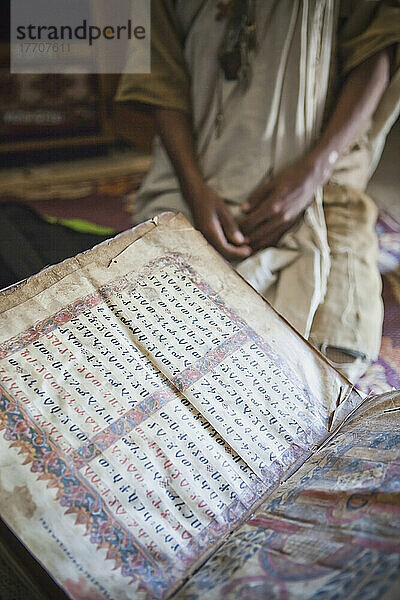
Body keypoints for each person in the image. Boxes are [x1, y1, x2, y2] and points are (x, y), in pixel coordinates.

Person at [116, 0, 400, 382]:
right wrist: (195, 187)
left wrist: (312, 172)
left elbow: (377, 47)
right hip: (196, 182)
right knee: (146, 346)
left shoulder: (322, 182)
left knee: (334, 359)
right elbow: (160, 73)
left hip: (322, 190)